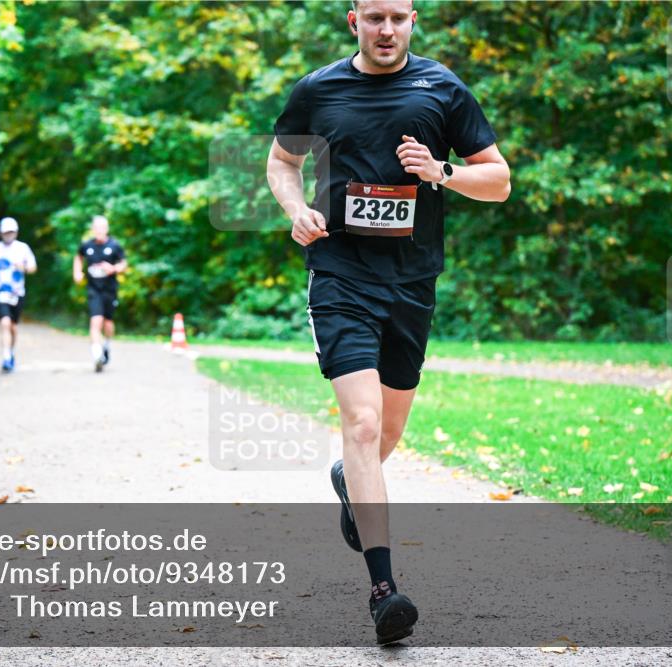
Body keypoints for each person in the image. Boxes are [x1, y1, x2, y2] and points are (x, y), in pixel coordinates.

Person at [267, 0, 510, 645]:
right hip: (340, 274)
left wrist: (442, 172)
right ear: (354, 21)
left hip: (411, 280)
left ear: (412, 21)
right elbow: (280, 163)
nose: (386, 29)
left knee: (388, 429)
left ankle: (352, 478)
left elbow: (500, 180)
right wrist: (295, 210)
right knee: (363, 420)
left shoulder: (441, 88)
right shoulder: (319, 89)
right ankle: (384, 591)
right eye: (374, 17)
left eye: (398, 18)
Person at [73, 215, 127, 373]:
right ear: (93, 229)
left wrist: (114, 268)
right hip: (93, 289)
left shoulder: (115, 245)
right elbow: (78, 257)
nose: (99, 231)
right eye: (96, 228)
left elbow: (124, 263)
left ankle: (106, 345)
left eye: (102, 228)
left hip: (110, 290)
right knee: (95, 321)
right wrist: (77, 272)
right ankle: (97, 356)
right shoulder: (87, 245)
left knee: (108, 324)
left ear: (107, 229)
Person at [0, 217, 37, 373]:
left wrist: (25, 267)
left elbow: (33, 267)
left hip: (17, 292)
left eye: (11, 232)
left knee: (13, 326)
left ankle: (11, 351)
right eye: (6, 232)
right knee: (5, 322)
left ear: (16, 232)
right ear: (1, 233)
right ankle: (6, 356)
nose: (8, 235)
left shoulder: (23, 248)